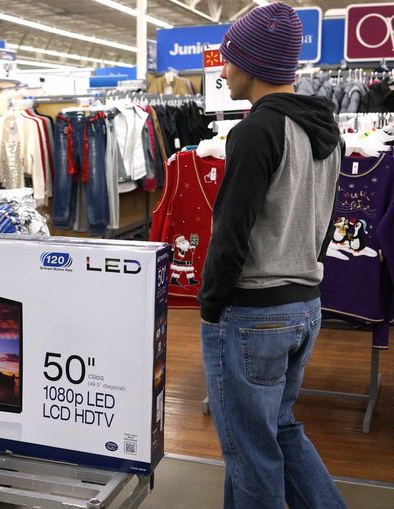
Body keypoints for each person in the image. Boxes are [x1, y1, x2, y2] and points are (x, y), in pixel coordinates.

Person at [198, 3, 349, 508]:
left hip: (252, 311)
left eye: (231, 59)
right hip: (305, 304)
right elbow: (323, 225)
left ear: (254, 64)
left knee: (248, 450)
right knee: (279, 430)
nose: (223, 70)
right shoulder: (326, 132)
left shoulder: (257, 131)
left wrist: (211, 305)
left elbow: (231, 233)